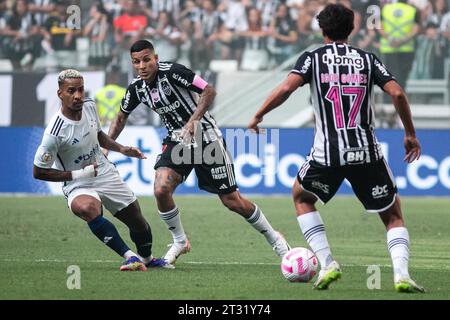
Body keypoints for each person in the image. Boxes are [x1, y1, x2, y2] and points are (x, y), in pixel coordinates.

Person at [248, 4, 425, 293]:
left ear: (322, 30)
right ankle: (401, 275)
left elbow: (286, 89)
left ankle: (328, 262)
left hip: (327, 153)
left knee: (301, 197)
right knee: (393, 216)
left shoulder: (312, 58)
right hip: (366, 152)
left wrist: (259, 115)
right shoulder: (368, 59)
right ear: (352, 28)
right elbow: (397, 93)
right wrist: (410, 134)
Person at [106, 39, 291, 265]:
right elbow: (120, 118)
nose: (142, 66)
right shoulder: (137, 88)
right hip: (177, 140)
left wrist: (194, 120)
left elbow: (209, 91)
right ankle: (180, 241)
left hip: (206, 137)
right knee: (161, 189)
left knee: (232, 201)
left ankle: (276, 240)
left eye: (146, 60)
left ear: (155, 58)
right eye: (137, 62)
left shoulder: (174, 72)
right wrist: (107, 147)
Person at [33, 69, 172, 271]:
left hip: (104, 172)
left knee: (137, 220)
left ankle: (147, 259)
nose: (78, 95)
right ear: (60, 93)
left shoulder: (89, 106)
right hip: (77, 182)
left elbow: (98, 135)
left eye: (80, 90)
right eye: (71, 91)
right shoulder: (54, 132)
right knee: (88, 209)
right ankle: (129, 257)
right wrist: (80, 174)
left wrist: (122, 149)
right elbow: (39, 172)